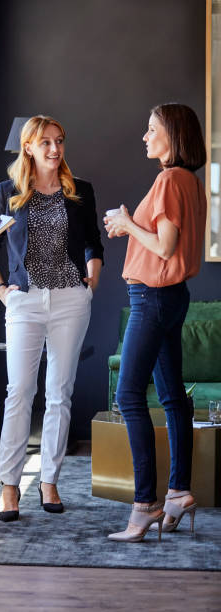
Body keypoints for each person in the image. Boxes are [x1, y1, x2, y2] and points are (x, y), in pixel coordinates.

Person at [0, 115, 104, 521]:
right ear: (28, 147)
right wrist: (0, 290)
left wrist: (91, 285)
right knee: (19, 391)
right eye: (45, 142)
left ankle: (49, 480)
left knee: (59, 392)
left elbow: (92, 243)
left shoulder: (78, 191)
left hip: (71, 299)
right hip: (25, 301)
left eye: (59, 141)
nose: (54, 149)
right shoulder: (8, 192)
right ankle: (10, 485)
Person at [104, 103, 207, 542]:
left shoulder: (168, 179)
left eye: (152, 130)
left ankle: (144, 503)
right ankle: (179, 490)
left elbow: (164, 248)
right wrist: (127, 228)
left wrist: (127, 222)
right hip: (172, 297)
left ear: (174, 136)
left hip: (153, 298)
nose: (145, 137)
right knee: (171, 397)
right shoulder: (190, 181)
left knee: (129, 395)